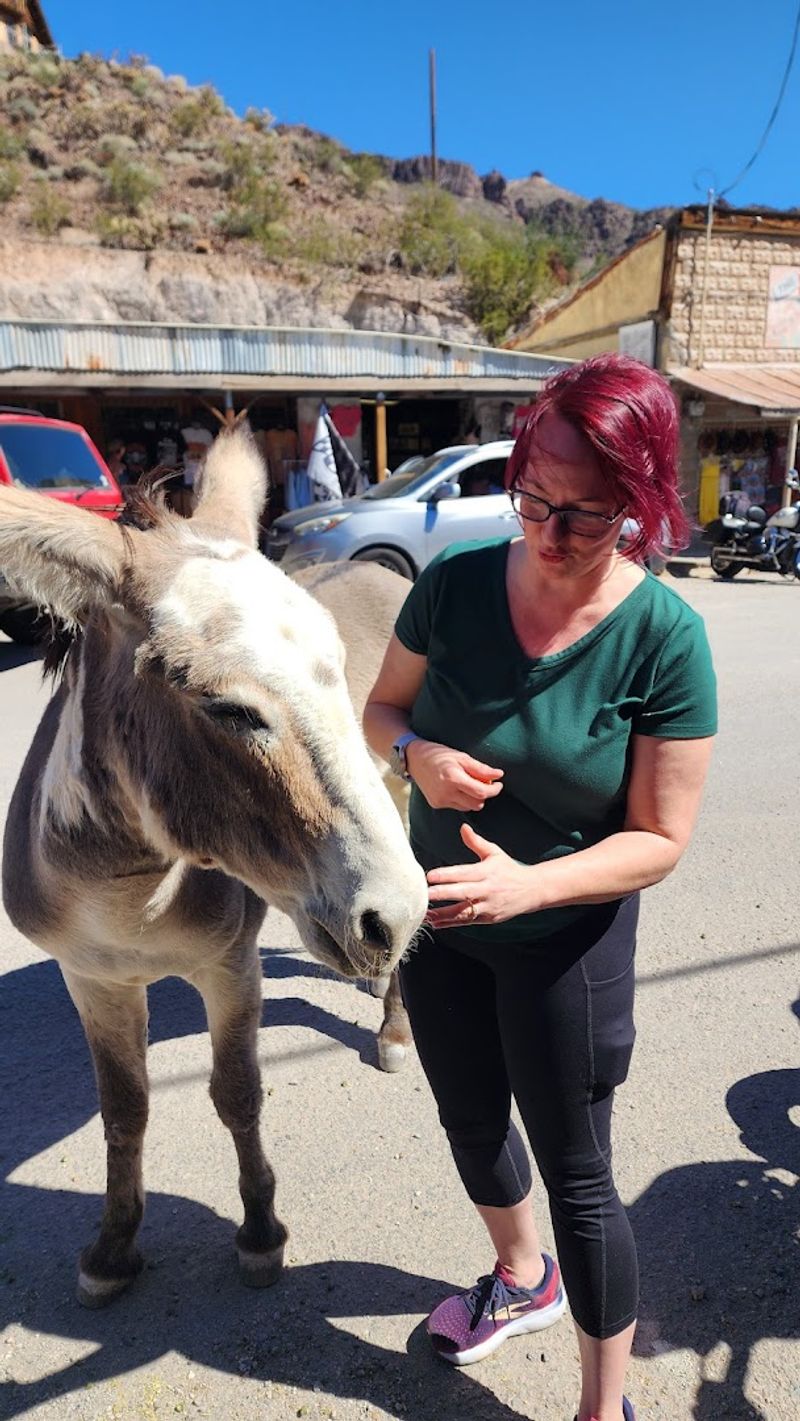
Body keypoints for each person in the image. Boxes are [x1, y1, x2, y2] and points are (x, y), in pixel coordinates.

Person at [363, 353, 717, 1421]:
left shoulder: (662, 635)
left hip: (564, 943)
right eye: (533, 500)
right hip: (440, 922)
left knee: (577, 1172)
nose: (550, 533)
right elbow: (381, 710)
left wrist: (535, 886)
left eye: (589, 514)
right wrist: (414, 755)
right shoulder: (455, 584)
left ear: (641, 503)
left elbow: (659, 836)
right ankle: (520, 1277)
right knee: (468, 1116)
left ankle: (600, 1406)